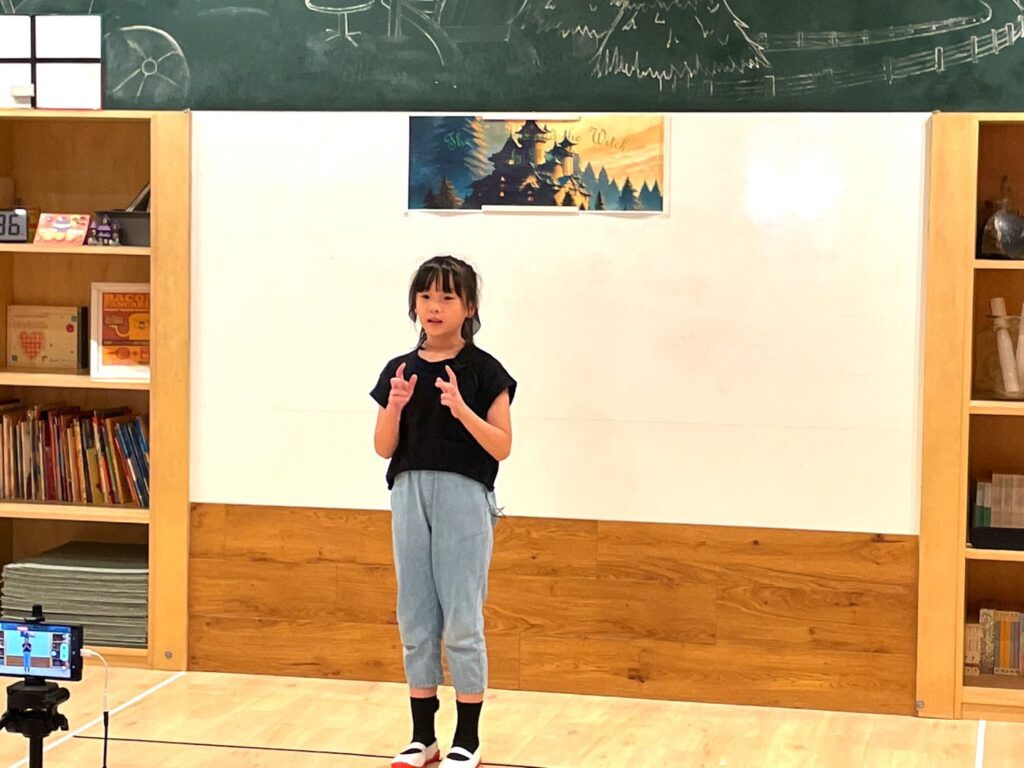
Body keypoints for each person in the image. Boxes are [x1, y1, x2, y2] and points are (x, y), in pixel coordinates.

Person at [371, 255, 516, 768]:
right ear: (414, 304)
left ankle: (467, 740)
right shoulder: (399, 369)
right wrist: (395, 405)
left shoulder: (484, 371)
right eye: (426, 296)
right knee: (414, 616)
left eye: (448, 297)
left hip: (464, 498)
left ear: (469, 307)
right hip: (409, 493)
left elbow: (502, 446)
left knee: (461, 621)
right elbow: (383, 448)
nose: (434, 306)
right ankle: (422, 738)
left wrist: (461, 409)